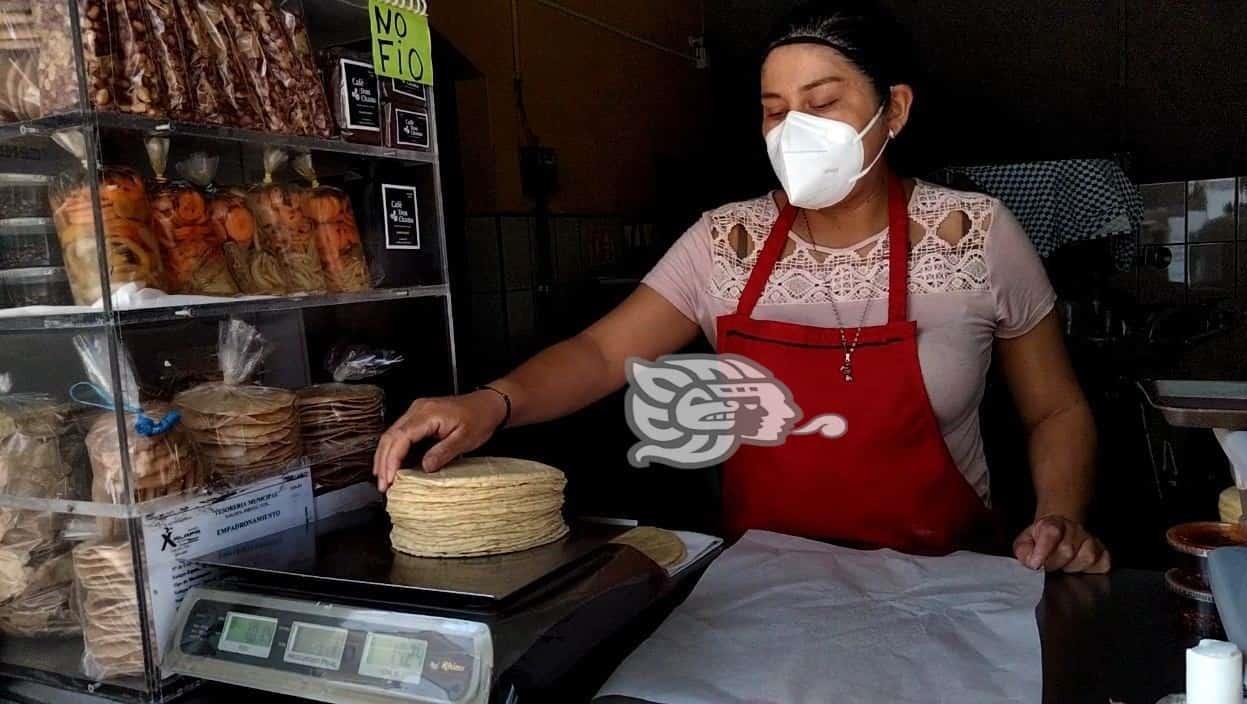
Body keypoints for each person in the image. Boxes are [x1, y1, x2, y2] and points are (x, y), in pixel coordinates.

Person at [374, 1, 1110, 573]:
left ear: (895, 109)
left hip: (942, 584)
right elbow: (601, 353)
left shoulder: (972, 233)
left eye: (822, 104)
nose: (795, 129)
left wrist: (1062, 516)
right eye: (774, 110)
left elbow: (1056, 408)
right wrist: (492, 401)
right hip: (766, 587)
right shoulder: (726, 242)